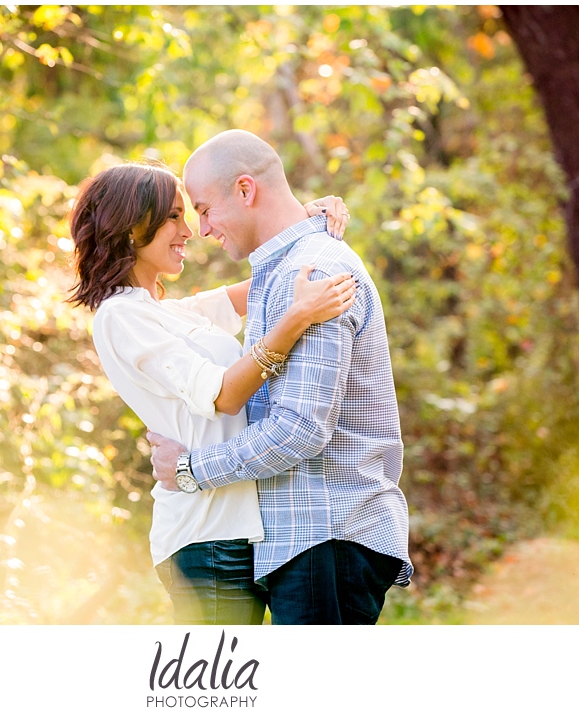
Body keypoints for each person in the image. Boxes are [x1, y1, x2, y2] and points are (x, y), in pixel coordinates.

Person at [68, 161, 355, 624]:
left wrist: (305, 222)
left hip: (237, 525)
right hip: (205, 535)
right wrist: (296, 320)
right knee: (215, 690)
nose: (190, 231)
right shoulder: (120, 317)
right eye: (174, 218)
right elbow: (223, 394)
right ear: (130, 228)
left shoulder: (170, 312)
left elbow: (272, 280)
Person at [148, 130, 413, 625]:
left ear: (246, 190)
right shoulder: (285, 270)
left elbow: (300, 429)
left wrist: (191, 470)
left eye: (204, 209)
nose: (202, 228)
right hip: (308, 537)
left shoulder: (313, 273)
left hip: (327, 531)